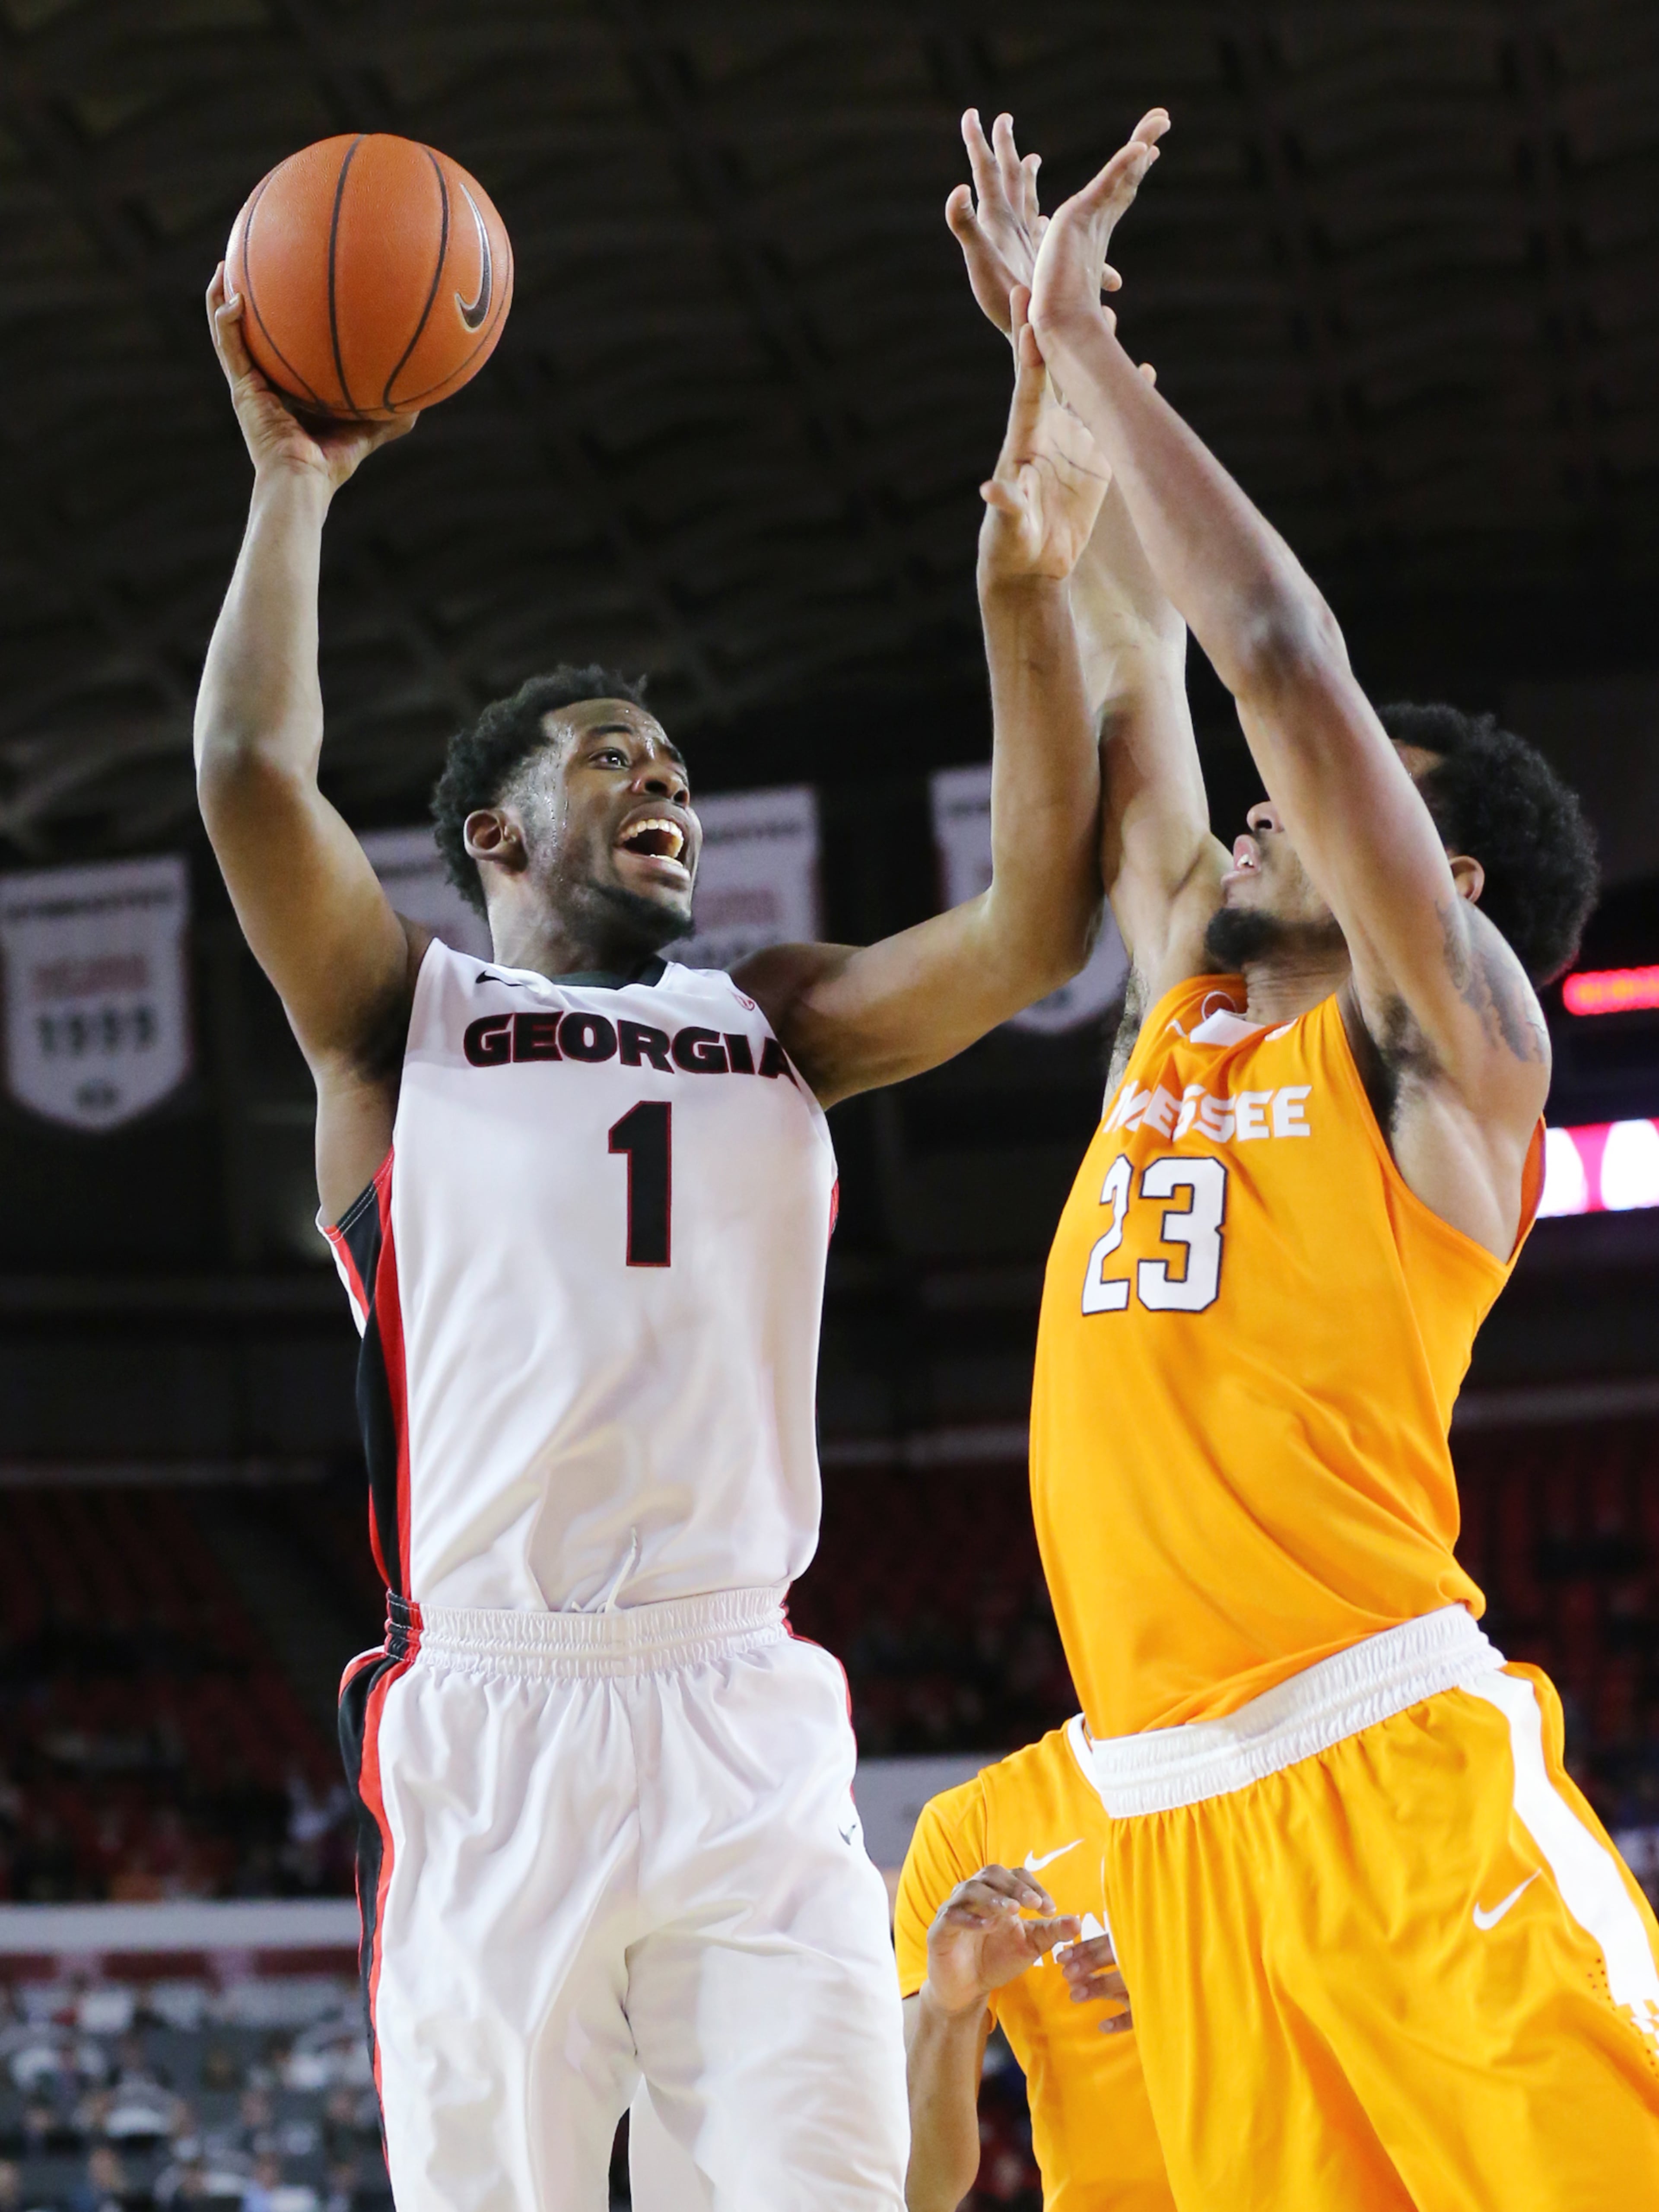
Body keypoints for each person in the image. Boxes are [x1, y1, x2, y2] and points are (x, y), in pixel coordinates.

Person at [192, 147, 1143, 2202]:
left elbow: (1037, 931)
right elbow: (251, 777)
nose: (667, 783)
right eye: (611, 755)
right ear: (496, 837)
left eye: (679, 767)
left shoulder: (779, 1012)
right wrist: (295, 488)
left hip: (740, 1705)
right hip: (494, 1714)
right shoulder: (397, 1017)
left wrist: (1025, 587)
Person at [947, 102, 1659, 2209]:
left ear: (1423, 865)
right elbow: (1140, 653)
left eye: (1312, 803)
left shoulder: (1460, 1053)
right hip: (1157, 1821)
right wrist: (1048, 385)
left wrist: (1098, 351)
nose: (1253, 815)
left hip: (1390, 1779)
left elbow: (1269, 654)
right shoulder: (1186, 991)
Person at [894, 1723, 1176, 2212]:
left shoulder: (1296, 1777)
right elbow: (921, 2190)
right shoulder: (967, 1827)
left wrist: (1205, 1975)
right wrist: (951, 2009)